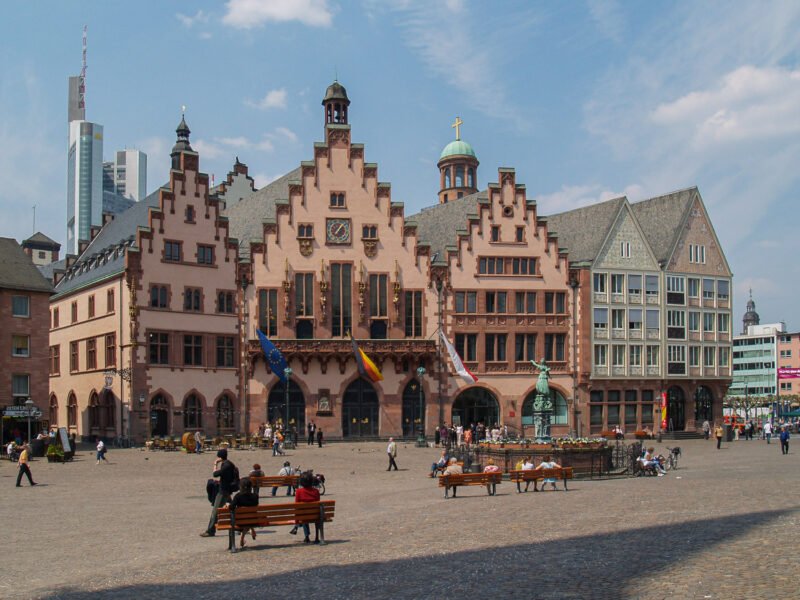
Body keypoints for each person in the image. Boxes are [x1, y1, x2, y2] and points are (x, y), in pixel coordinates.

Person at [201, 449, 237, 537]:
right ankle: (241, 525)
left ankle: (210, 530)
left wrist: (215, 464)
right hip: (227, 490)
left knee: (215, 511)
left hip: (223, 491)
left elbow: (215, 474)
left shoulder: (226, 466)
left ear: (220, 457)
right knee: (232, 508)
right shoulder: (230, 464)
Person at [290, 471, 321, 543]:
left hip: (304, 515)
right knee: (307, 512)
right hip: (315, 515)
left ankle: (307, 536)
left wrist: (296, 521)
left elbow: (296, 505)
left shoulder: (299, 491)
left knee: (303, 513)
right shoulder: (316, 491)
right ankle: (317, 537)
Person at [228, 477, 259, 548]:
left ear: (240, 486)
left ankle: (233, 544)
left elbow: (231, 507)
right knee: (249, 517)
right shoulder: (255, 496)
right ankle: (251, 530)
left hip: (240, 521)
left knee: (242, 518)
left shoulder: (238, 496)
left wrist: (227, 506)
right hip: (254, 520)